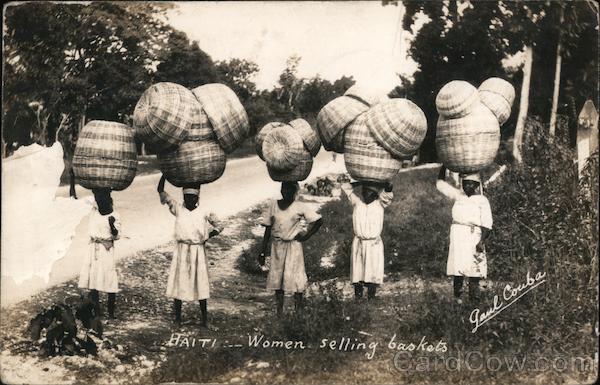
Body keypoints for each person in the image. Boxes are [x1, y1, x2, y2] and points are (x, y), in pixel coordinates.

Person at [157, 175, 222, 327]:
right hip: (182, 250)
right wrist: (165, 175)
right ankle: (177, 318)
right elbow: (161, 191)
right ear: (183, 197)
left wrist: (208, 235)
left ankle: (205, 319)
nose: (190, 200)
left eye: (192, 197)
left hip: (197, 251)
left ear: (197, 197)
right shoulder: (178, 208)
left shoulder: (205, 211)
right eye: (187, 197)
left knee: (200, 282)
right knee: (179, 281)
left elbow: (220, 225)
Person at [259, 181, 323, 315]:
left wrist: (306, 236)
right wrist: (262, 251)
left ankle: (298, 311)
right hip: (277, 247)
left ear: (295, 192)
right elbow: (268, 228)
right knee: (278, 278)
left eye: (289, 190)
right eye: (283, 189)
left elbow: (318, 220)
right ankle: (279, 312)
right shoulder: (273, 205)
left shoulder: (299, 206)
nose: (285, 192)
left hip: (293, 247)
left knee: (296, 278)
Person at [436, 166, 492, 304]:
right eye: (465, 183)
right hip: (458, 235)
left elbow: (487, 224)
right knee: (458, 266)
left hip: (473, 236)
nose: (467, 186)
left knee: (474, 268)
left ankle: (475, 299)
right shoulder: (458, 196)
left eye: (470, 184)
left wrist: (481, 241)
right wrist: (444, 166)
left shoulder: (482, 200)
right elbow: (440, 184)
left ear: (476, 185)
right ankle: (457, 297)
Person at [341, 181, 394, 300]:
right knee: (358, 270)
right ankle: (358, 297)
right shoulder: (357, 203)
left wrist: (381, 183)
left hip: (373, 243)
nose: (365, 194)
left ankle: (371, 297)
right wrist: (362, 181)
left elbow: (389, 189)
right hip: (359, 242)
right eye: (364, 191)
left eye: (369, 192)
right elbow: (345, 187)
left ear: (375, 194)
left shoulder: (380, 204)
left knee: (373, 269)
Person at [78, 188, 120, 319]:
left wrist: (112, 225)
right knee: (94, 280)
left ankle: (111, 313)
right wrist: (73, 181)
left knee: (109, 278)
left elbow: (117, 236)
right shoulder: (94, 212)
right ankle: (97, 312)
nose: (101, 203)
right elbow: (75, 199)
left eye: (103, 200)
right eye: (98, 200)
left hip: (105, 250)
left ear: (109, 201)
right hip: (93, 249)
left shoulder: (114, 215)